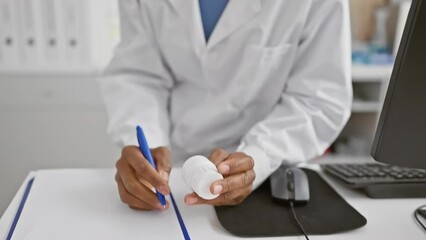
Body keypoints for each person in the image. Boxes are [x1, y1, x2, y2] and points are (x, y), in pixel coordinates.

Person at [99, 0, 352, 210]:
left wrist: (260, 157)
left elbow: (319, 97)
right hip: (173, 165)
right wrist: (147, 147)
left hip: (264, 168)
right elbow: (139, 74)